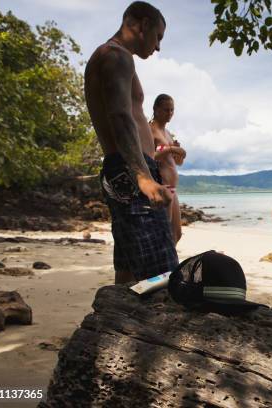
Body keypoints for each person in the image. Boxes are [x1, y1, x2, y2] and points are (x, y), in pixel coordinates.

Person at [84, 1, 178, 284]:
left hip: (122, 169)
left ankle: (111, 324)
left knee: (127, 271)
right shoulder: (116, 55)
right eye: (158, 36)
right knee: (162, 272)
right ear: (141, 25)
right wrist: (144, 177)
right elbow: (121, 117)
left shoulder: (111, 56)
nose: (158, 46)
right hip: (130, 169)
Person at [150, 94, 186, 246]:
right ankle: (161, 268)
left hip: (173, 187)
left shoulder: (168, 133)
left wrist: (179, 154)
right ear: (156, 109)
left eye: (172, 110)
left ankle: (168, 267)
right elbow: (149, 156)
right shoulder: (150, 129)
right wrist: (170, 148)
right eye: (166, 110)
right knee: (163, 234)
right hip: (162, 186)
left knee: (176, 234)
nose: (170, 113)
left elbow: (177, 163)